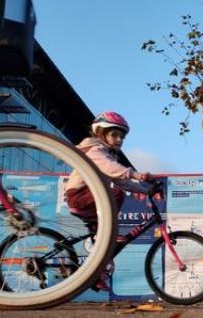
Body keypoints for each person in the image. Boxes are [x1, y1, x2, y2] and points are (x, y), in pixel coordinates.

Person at [64, 111, 152, 290]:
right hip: (80, 196)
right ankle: (103, 234)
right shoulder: (94, 150)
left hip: (92, 198)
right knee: (116, 194)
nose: (119, 140)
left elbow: (122, 180)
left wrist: (147, 190)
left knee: (106, 249)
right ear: (100, 134)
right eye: (114, 135)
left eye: (122, 137)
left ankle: (95, 276)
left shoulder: (107, 154)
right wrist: (138, 174)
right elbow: (112, 169)